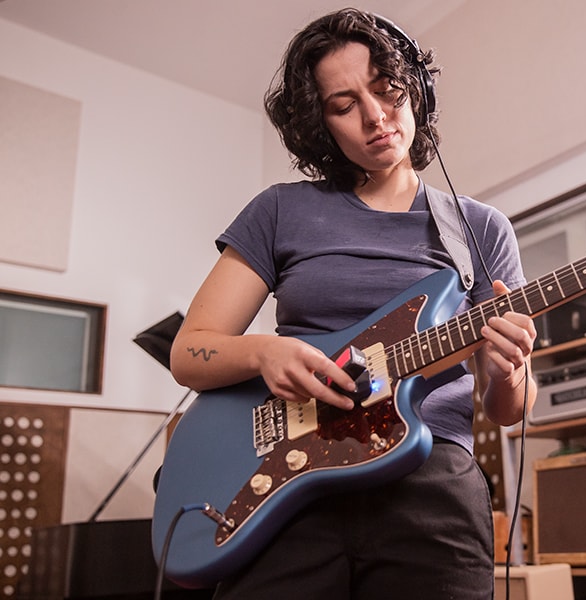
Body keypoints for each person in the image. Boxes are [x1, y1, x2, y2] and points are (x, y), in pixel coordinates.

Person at [169, 7, 537, 599]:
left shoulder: (479, 228)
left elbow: (506, 409)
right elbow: (190, 352)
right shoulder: (280, 210)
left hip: (429, 486)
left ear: (415, 88)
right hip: (288, 486)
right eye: (344, 106)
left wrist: (508, 370)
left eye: (387, 90)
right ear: (321, 125)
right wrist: (265, 352)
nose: (375, 117)